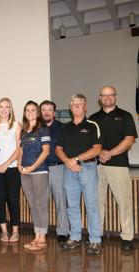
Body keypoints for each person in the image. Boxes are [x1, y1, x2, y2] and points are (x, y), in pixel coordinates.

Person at [90, 86, 138, 251]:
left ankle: (127, 237)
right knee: (97, 203)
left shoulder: (125, 116)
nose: (108, 98)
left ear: (115, 97)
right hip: (96, 166)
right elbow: (90, 142)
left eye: (111, 95)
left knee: (124, 202)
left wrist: (109, 153)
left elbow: (130, 139)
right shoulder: (93, 118)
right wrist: (101, 152)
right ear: (100, 97)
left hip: (118, 165)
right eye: (104, 95)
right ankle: (98, 235)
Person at [56, 94, 102, 255]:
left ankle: (95, 240)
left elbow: (97, 149)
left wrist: (75, 159)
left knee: (91, 206)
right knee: (72, 207)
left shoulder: (92, 125)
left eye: (80, 103)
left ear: (85, 106)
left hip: (87, 169)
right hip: (69, 171)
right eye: (73, 103)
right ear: (70, 107)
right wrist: (68, 162)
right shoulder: (65, 127)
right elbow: (58, 149)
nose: (76, 106)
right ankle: (75, 237)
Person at [18, 101, 50, 251]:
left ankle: (42, 237)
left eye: (33, 110)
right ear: (25, 113)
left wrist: (32, 167)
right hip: (25, 172)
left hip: (39, 171)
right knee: (32, 204)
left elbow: (46, 151)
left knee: (40, 204)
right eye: (27, 110)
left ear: (37, 113)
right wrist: (19, 165)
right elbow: (21, 151)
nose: (30, 112)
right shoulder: (24, 131)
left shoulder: (42, 129)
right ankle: (37, 235)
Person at [0, 98, 21, 243]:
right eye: (1, 107)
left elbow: (18, 149)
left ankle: (15, 231)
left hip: (12, 168)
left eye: (7, 107)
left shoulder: (16, 125)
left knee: (13, 200)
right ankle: (4, 231)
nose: (4, 109)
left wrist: (6, 163)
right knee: (0, 199)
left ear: (11, 109)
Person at [40, 100, 69, 245]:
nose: (46, 112)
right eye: (43, 110)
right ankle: (41, 232)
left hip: (58, 168)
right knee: (42, 202)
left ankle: (63, 232)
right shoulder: (37, 128)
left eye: (49, 110)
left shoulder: (63, 128)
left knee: (60, 201)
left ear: (54, 112)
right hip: (41, 169)